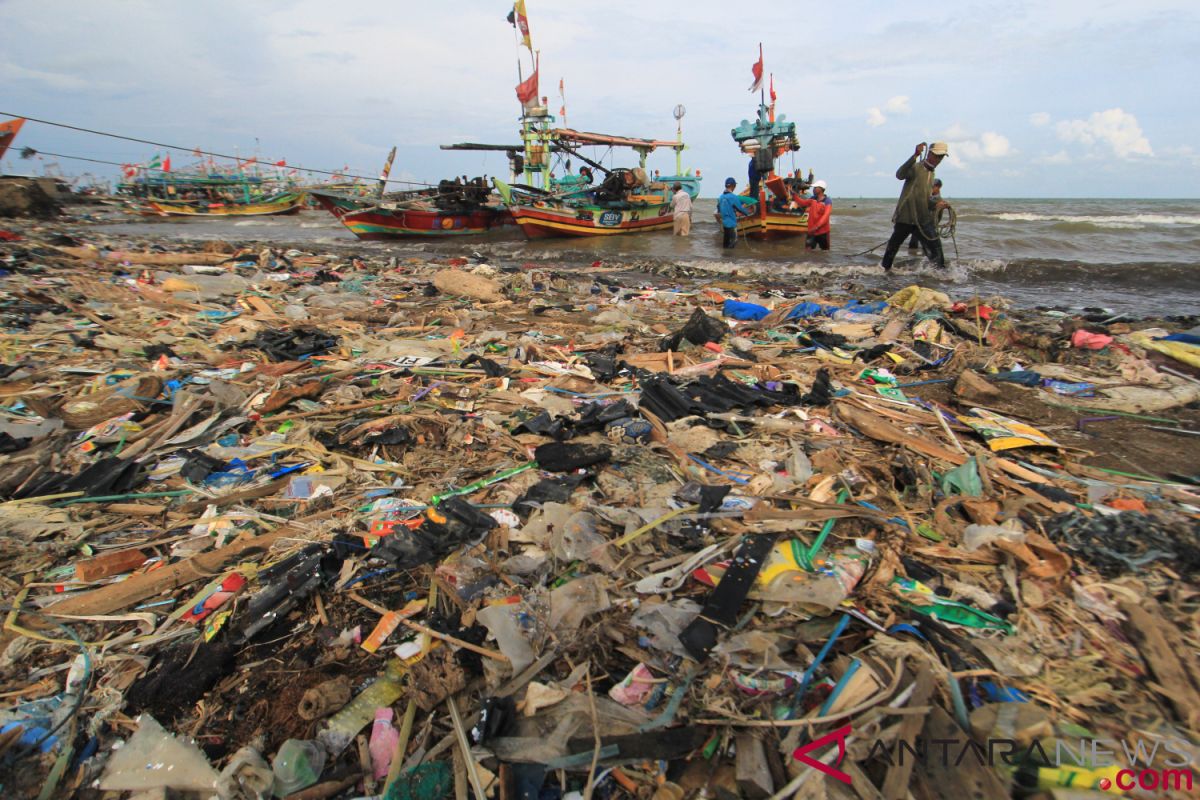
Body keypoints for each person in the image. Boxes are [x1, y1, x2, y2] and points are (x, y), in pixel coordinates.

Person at [881, 142, 951, 271]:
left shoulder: (932, 174)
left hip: (922, 220)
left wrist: (937, 204)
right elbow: (899, 175)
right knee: (892, 249)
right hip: (906, 217)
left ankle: (940, 278)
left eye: (941, 157)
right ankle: (884, 274)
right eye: (937, 156)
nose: (938, 160)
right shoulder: (916, 167)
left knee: (936, 251)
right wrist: (915, 155)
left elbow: (924, 200)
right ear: (930, 153)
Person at [790, 179, 833, 250]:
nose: (813, 189)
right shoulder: (813, 199)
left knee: (825, 252)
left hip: (823, 232)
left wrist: (816, 227)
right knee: (807, 252)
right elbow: (802, 203)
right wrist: (794, 195)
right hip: (811, 232)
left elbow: (825, 216)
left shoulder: (827, 201)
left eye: (815, 188)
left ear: (821, 189)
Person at [908, 178, 943, 251]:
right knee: (915, 243)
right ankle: (914, 257)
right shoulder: (931, 198)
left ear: (938, 187)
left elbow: (936, 216)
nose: (931, 189)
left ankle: (921, 259)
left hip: (927, 225)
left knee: (925, 245)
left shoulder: (938, 200)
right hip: (921, 224)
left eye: (933, 187)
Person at [717, 177, 753, 249]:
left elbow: (719, 209)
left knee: (726, 242)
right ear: (733, 186)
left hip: (724, 223)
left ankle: (724, 258)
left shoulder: (721, 197)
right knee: (734, 241)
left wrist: (731, 210)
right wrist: (748, 213)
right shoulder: (733, 197)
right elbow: (740, 208)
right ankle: (730, 259)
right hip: (732, 224)